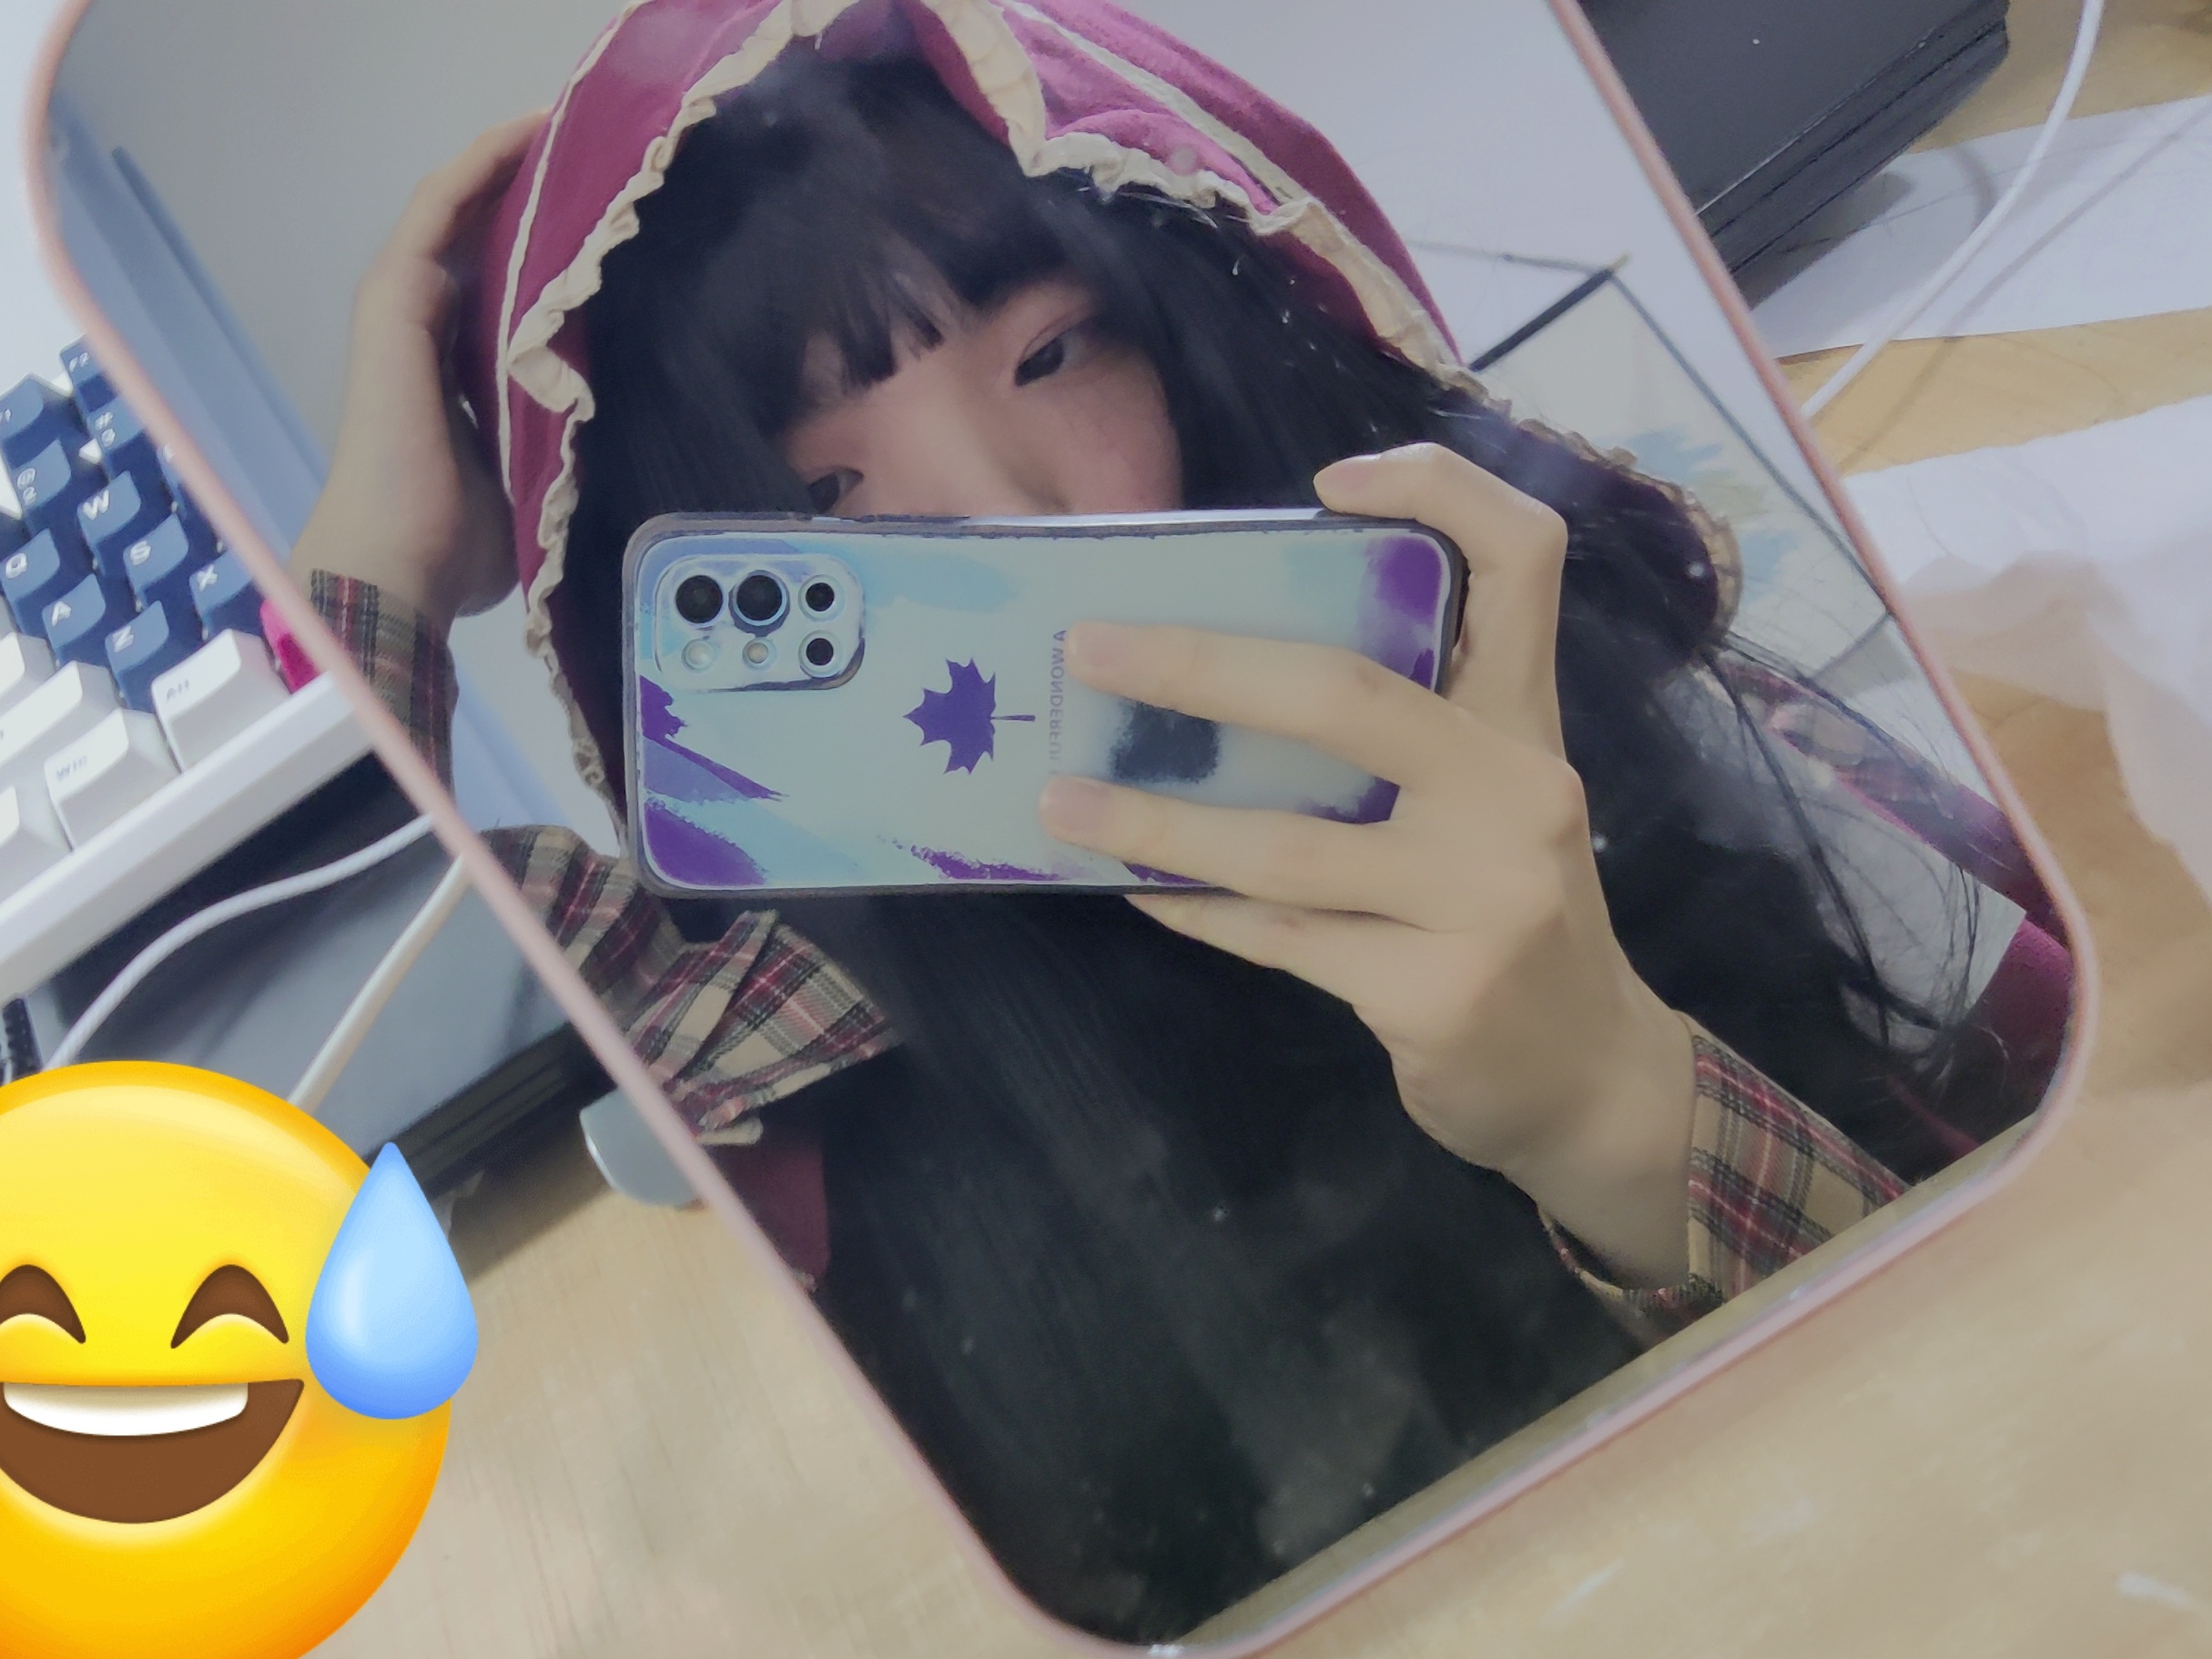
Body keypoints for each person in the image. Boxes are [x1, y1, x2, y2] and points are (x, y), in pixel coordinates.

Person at [291, 0, 2065, 1637]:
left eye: (1055, 353)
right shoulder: (767, 1033)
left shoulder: (1540, 733)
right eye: (822, 489)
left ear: (1195, 336)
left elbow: (2030, 1406)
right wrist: (373, 573)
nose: (1002, 515)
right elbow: (270, 1172)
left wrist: (1607, 1102)